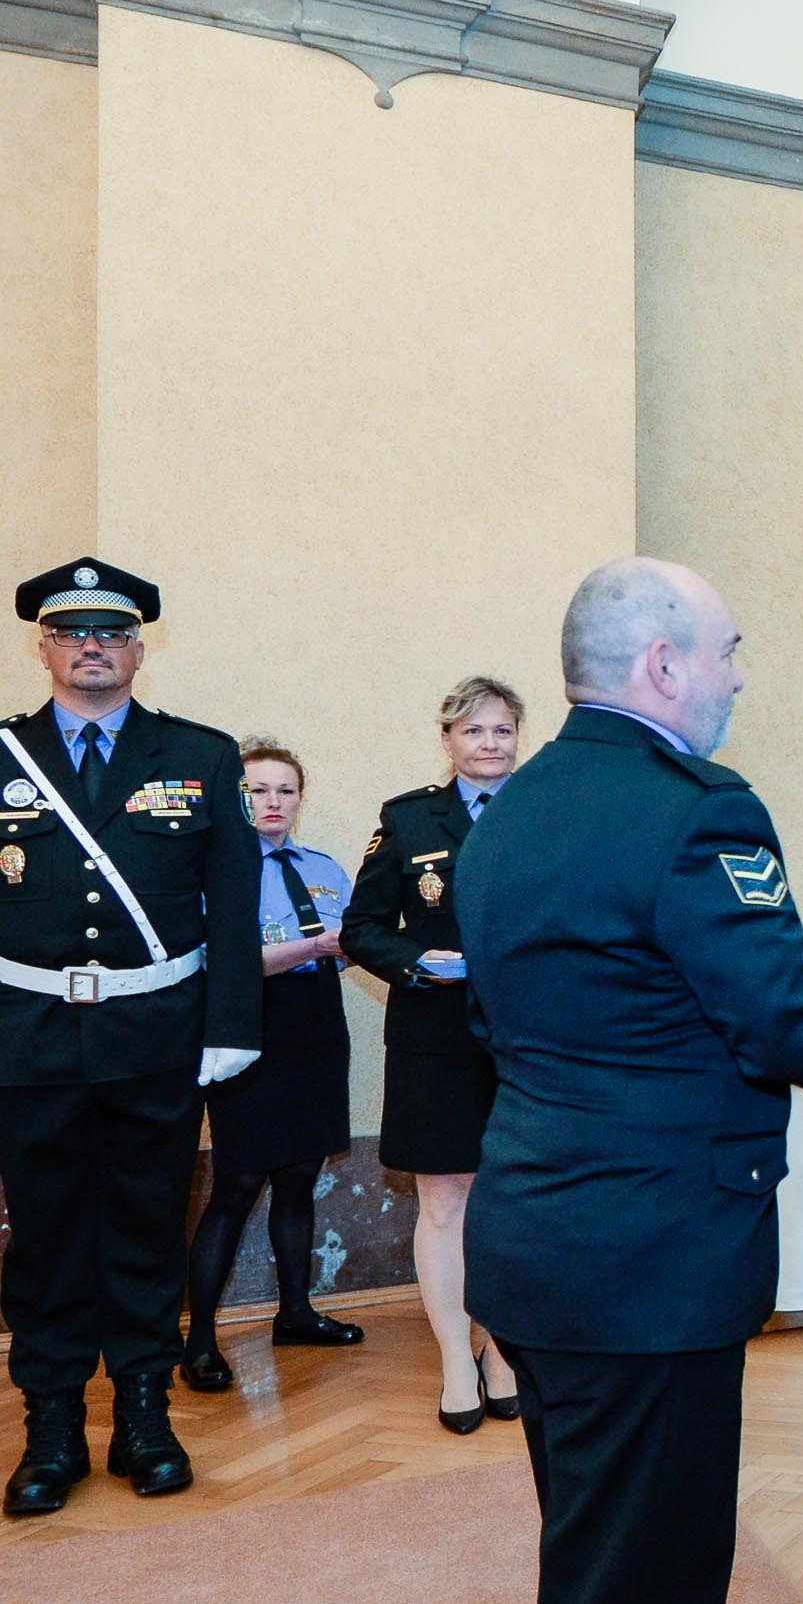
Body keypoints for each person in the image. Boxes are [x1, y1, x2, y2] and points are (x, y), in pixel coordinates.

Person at [459, 556, 803, 1604]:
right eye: (728, 651)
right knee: (651, 1567)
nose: (739, 676)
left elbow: (493, 1020)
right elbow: (792, 1022)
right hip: (650, 1269)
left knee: (592, 1541)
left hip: (533, 1240)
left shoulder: (509, 811)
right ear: (663, 665)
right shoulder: (698, 811)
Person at [0, 557, 261, 1516]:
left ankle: (145, 1415)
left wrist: (232, 1024)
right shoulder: (3, 755)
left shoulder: (200, 755)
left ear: (138, 650)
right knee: (45, 1236)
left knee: (148, 1227)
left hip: (157, 1035)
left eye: (111, 633)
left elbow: (233, 902)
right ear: (44, 647)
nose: (92, 648)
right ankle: (54, 1425)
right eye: (73, 633)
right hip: (26, 1039)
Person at [342, 675, 527, 1433]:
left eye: (502, 730)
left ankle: (503, 1351)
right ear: (447, 740)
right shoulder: (408, 817)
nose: (490, 743)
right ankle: (456, 1357)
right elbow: (361, 928)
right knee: (446, 1201)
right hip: (436, 1040)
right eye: (473, 730)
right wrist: (417, 961)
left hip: (526, 1041)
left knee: (512, 1202)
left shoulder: (547, 809)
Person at [180, 738, 366, 1393]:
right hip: (248, 1029)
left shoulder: (325, 868)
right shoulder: (216, 868)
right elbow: (228, 962)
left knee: (299, 1177)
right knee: (236, 1185)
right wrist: (316, 945)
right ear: (236, 798)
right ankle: (199, 1340)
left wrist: (359, 944)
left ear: (300, 799)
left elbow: (353, 945)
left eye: (286, 789)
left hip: (317, 1026)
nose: (272, 801)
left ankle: (295, 1313)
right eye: (257, 789)